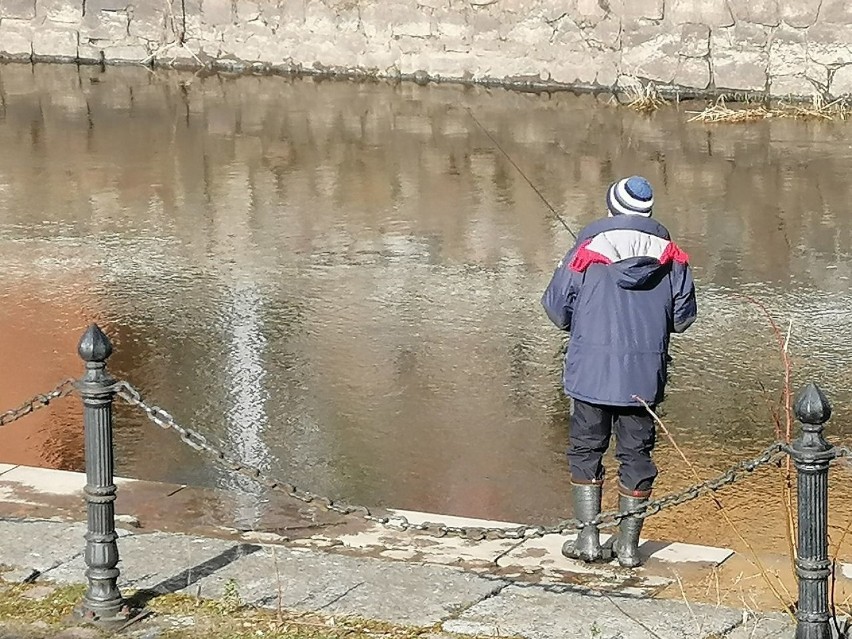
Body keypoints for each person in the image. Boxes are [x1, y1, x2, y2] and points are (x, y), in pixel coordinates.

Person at [541, 176, 697, 568]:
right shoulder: (673, 256)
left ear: (611, 209)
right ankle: (628, 547)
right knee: (637, 455)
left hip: (591, 374)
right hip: (644, 377)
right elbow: (683, 318)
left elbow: (556, 308)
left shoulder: (586, 250)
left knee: (585, 450)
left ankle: (589, 540)